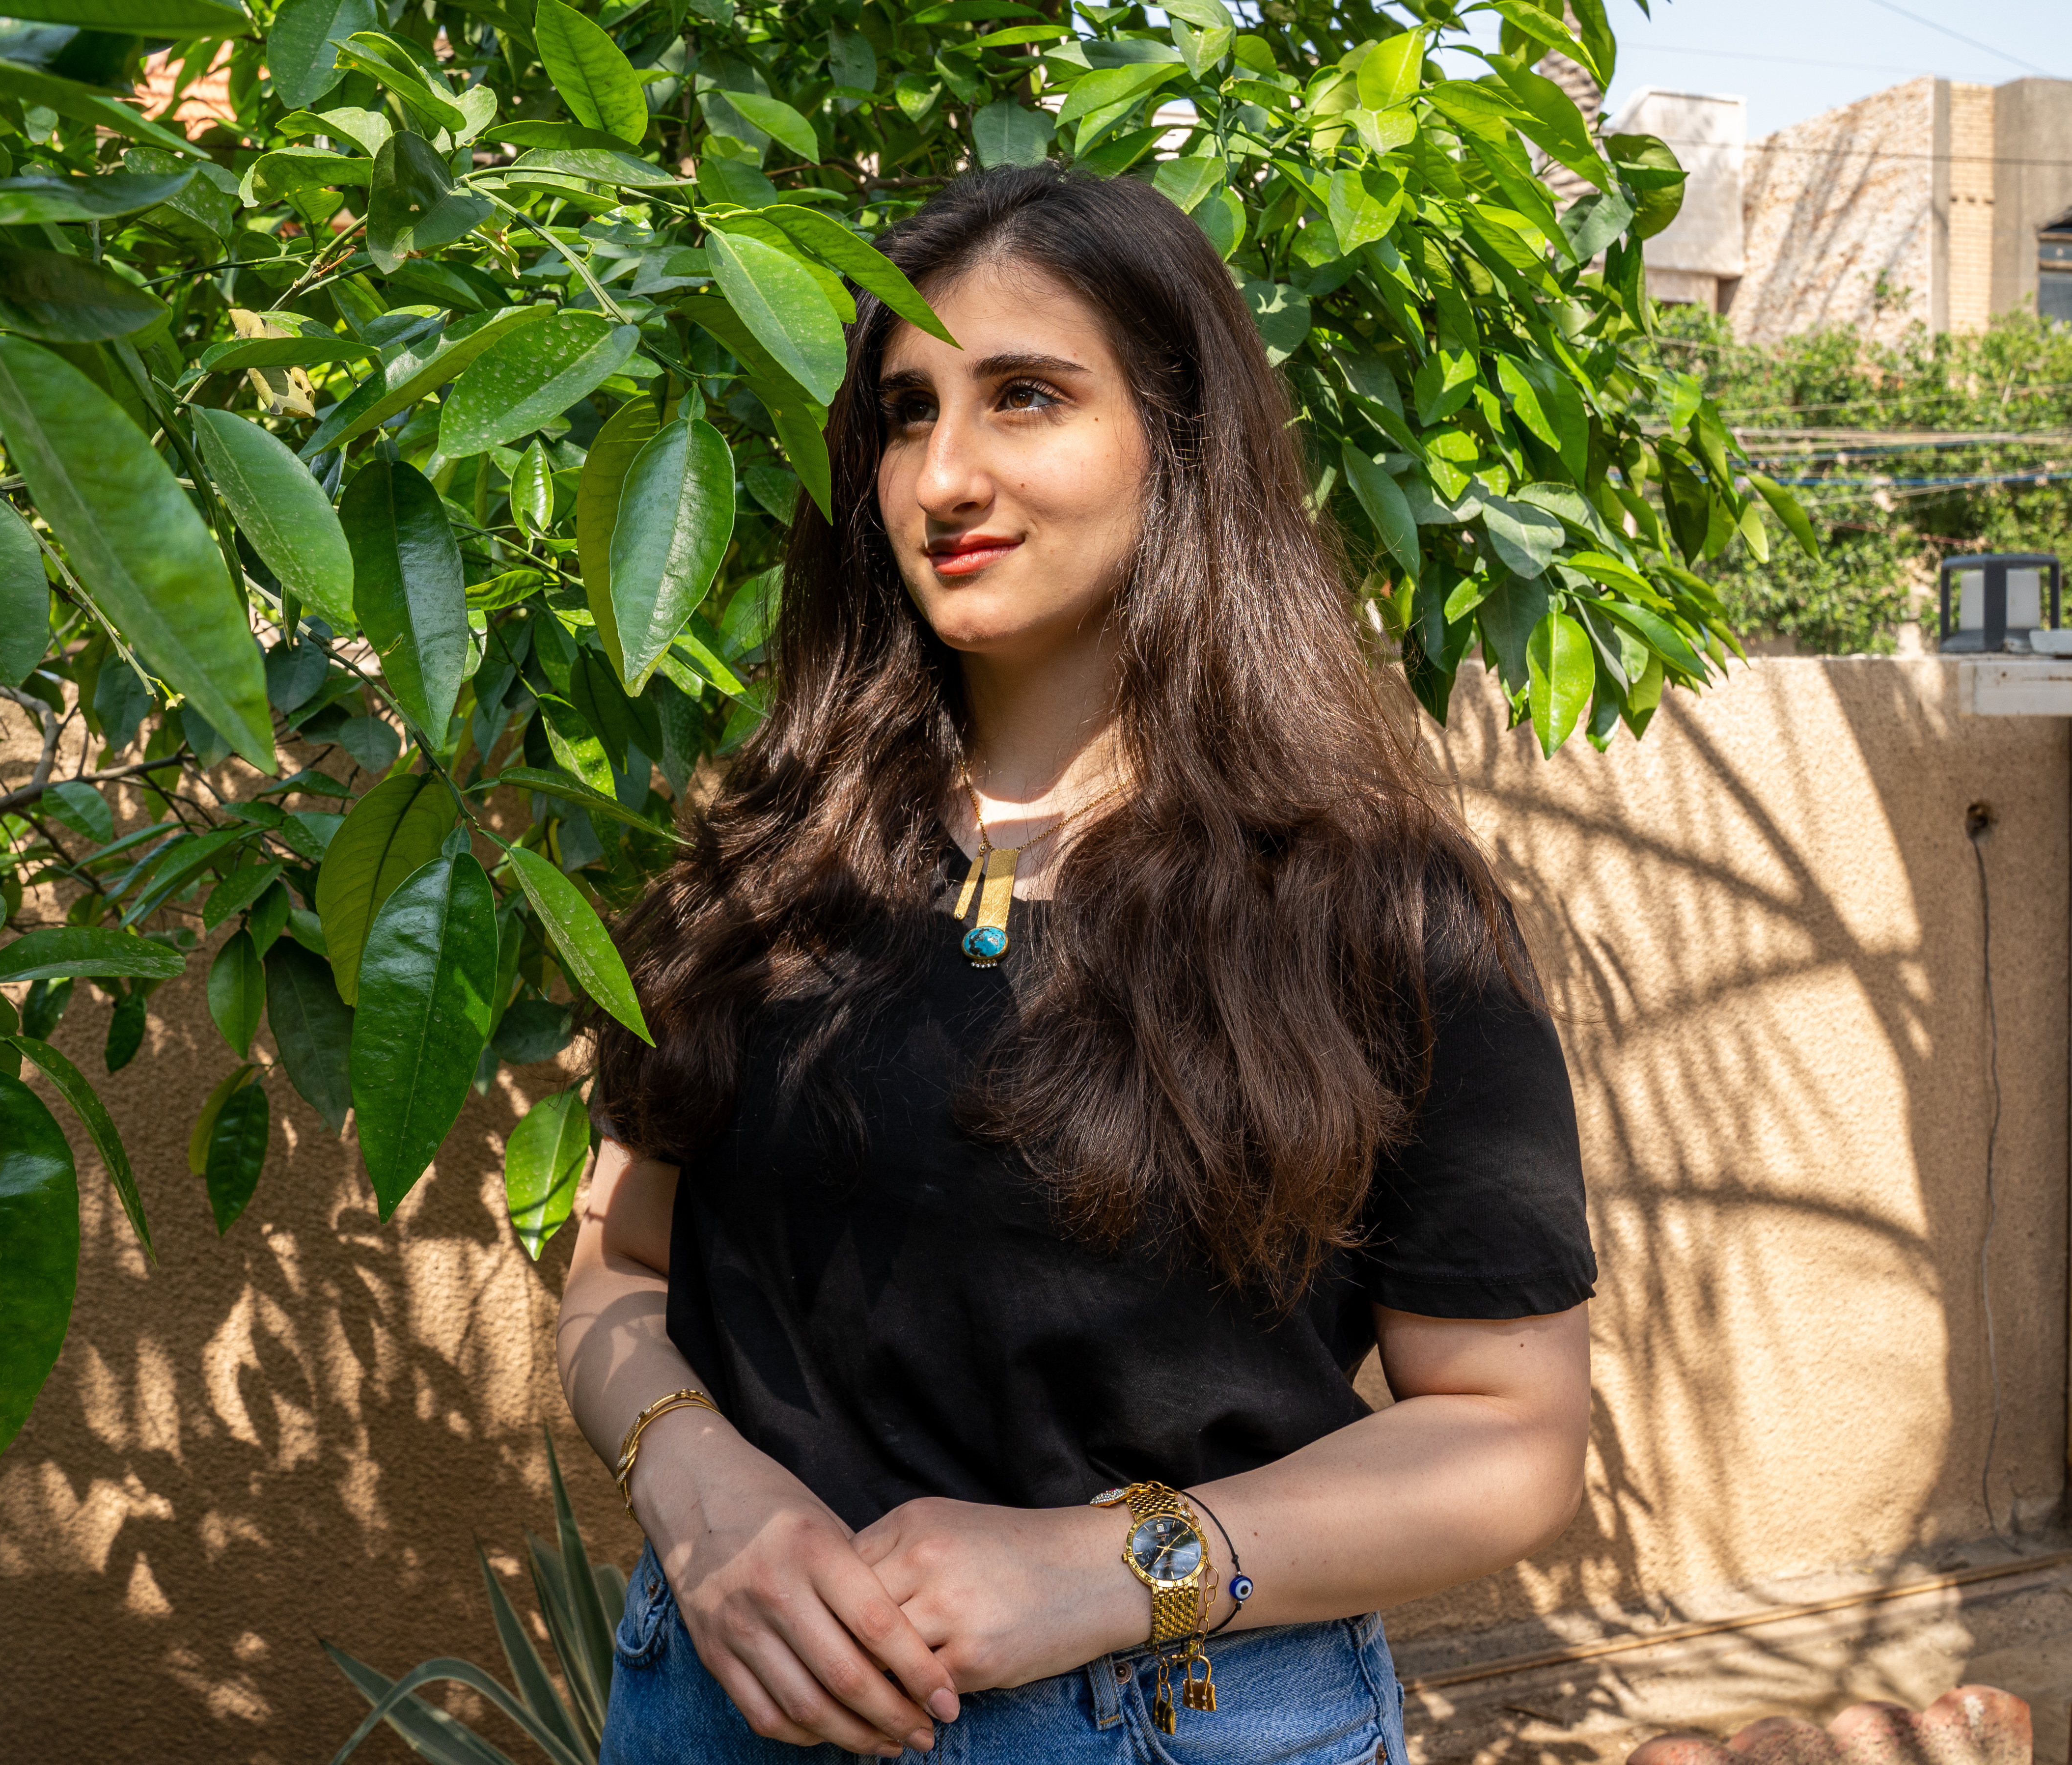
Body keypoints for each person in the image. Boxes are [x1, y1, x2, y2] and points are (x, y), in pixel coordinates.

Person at [555, 162, 1595, 1765]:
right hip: (718, 1700)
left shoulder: (1376, 910)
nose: (943, 475)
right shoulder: (768, 854)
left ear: (1179, 439)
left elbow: (1511, 1438)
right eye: (905, 413)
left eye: (1025, 395)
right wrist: (700, 1482)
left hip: (1178, 1723)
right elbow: (617, 1272)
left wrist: (1109, 1568)